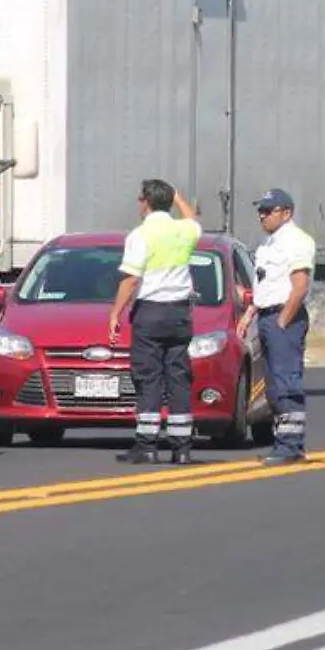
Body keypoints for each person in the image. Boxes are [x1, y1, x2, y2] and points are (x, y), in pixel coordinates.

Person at [108, 179, 203, 466]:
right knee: (178, 378)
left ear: (146, 202)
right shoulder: (184, 230)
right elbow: (193, 219)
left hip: (151, 312)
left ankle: (147, 445)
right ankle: (182, 448)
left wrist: (115, 313)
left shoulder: (141, 234)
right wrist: (179, 197)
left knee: (148, 377)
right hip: (180, 314)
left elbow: (132, 278)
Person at [243, 188, 316, 466]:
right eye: (260, 210)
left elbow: (299, 287)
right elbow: (265, 285)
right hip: (266, 316)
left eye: (268, 210)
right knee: (272, 385)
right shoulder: (268, 244)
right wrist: (251, 312)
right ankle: (283, 442)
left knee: (287, 382)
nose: (262, 216)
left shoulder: (296, 241)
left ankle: (291, 446)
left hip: (284, 317)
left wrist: (283, 320)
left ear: (287, 212)